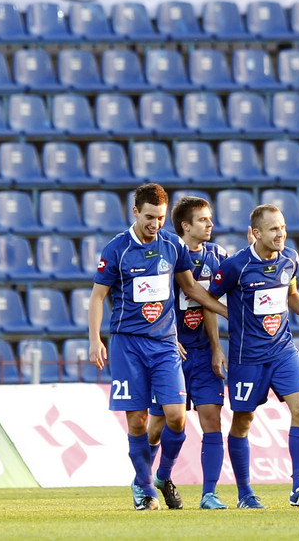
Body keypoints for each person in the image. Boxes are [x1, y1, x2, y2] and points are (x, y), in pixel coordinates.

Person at [88, 183, 229, 511]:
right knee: (137, 420)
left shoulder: (172, 245)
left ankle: (162, 475)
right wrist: (95, 339)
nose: (155, 224)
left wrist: (229, 313)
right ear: (135, 212)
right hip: (128, 343)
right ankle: (145, 488)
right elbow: (97, 296)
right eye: (149, 217)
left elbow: (192, 289)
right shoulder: (117, 249)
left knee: (177, 417)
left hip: (166, 343)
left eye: (161, 217)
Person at [207, 204, 299, 509]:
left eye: (283, 227)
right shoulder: (235, 267)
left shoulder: (290, 259)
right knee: (243, 421)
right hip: (247, 357)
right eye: (273, 229)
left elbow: (291, 295)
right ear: (256, 233)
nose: (280, 234)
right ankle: (244, 493)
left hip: (282, 350)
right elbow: (206, 299)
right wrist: (226, 327)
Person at [140, 196, 230, 510]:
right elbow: (152, 300)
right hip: (169, 351)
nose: (210, 225)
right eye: (203, 220)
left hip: (203, 353)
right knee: (159, 424)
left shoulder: (217, 255)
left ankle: (209, 494)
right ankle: (148, 484)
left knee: (212, 420)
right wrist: (165, 336)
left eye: (210, 219)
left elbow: (211, 300)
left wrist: (217, 348)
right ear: (185, 226)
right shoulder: (165, 254)